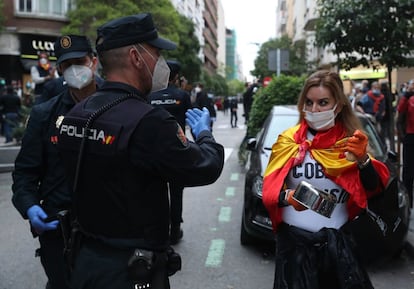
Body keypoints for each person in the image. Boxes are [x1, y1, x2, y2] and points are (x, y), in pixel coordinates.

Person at [56, 13, 224, 289]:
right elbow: (206, 166)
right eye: (156, 54)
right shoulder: (149, 121)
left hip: (86, 262)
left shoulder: (77, 112)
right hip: (132, 270)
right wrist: (204, 134)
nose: (161, 63)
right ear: (136, 57)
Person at [262, 70, 390, 289]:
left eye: (323, 102)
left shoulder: (350, 144)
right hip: (295, 248)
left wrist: (362, 160)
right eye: (309, 102)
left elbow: (374, 189)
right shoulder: (287, 141)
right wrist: (287, 197)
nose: (314, 110)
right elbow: (269, 191)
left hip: (338, 246)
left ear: (338, 106)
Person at [12, 34, 102, 289]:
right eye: (66, 64)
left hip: (108, 228)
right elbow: (24, 175)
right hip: (59, 230)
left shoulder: (117, 104)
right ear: (59, 69)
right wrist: (30, 206)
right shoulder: (45, 114)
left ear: (93, 61)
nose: (74, 69)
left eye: (80, 61)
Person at [148, 59, 192, 244]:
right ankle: (174, 229)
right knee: (176, 191)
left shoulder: (149, 96)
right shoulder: (182, 95)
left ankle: (157, 229)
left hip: (152, 149)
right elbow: (191, 117)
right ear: (176, 77)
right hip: (176, 149)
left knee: (154, 190)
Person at [397, 79, 414, 208]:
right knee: (408, 171)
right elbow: (400, 110)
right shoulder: (408, 99)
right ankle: (409, 202)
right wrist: (406, 95)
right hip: (410, 136)